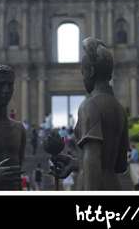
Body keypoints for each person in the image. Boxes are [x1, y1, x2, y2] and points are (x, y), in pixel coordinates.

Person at [51, 37, 129, 190]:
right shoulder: (119, 108)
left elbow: (92, 159)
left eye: (83, 72)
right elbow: (120, 165)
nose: (83, 77)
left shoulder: (89, 105)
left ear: (91, 71)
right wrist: (76, 163)